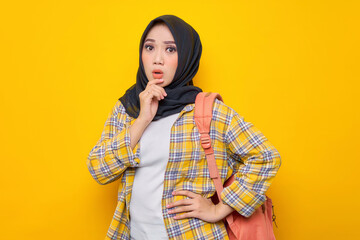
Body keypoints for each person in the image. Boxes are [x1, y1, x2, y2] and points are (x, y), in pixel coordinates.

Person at [87, 15, 282, 240]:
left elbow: (266, 157)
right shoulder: (127, 108)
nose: (157, 59)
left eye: (171, 50)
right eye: (149, 47)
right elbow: (98, 170)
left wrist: (220, 209)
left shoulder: (208, 111)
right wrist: (141, 120)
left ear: (187, 56)